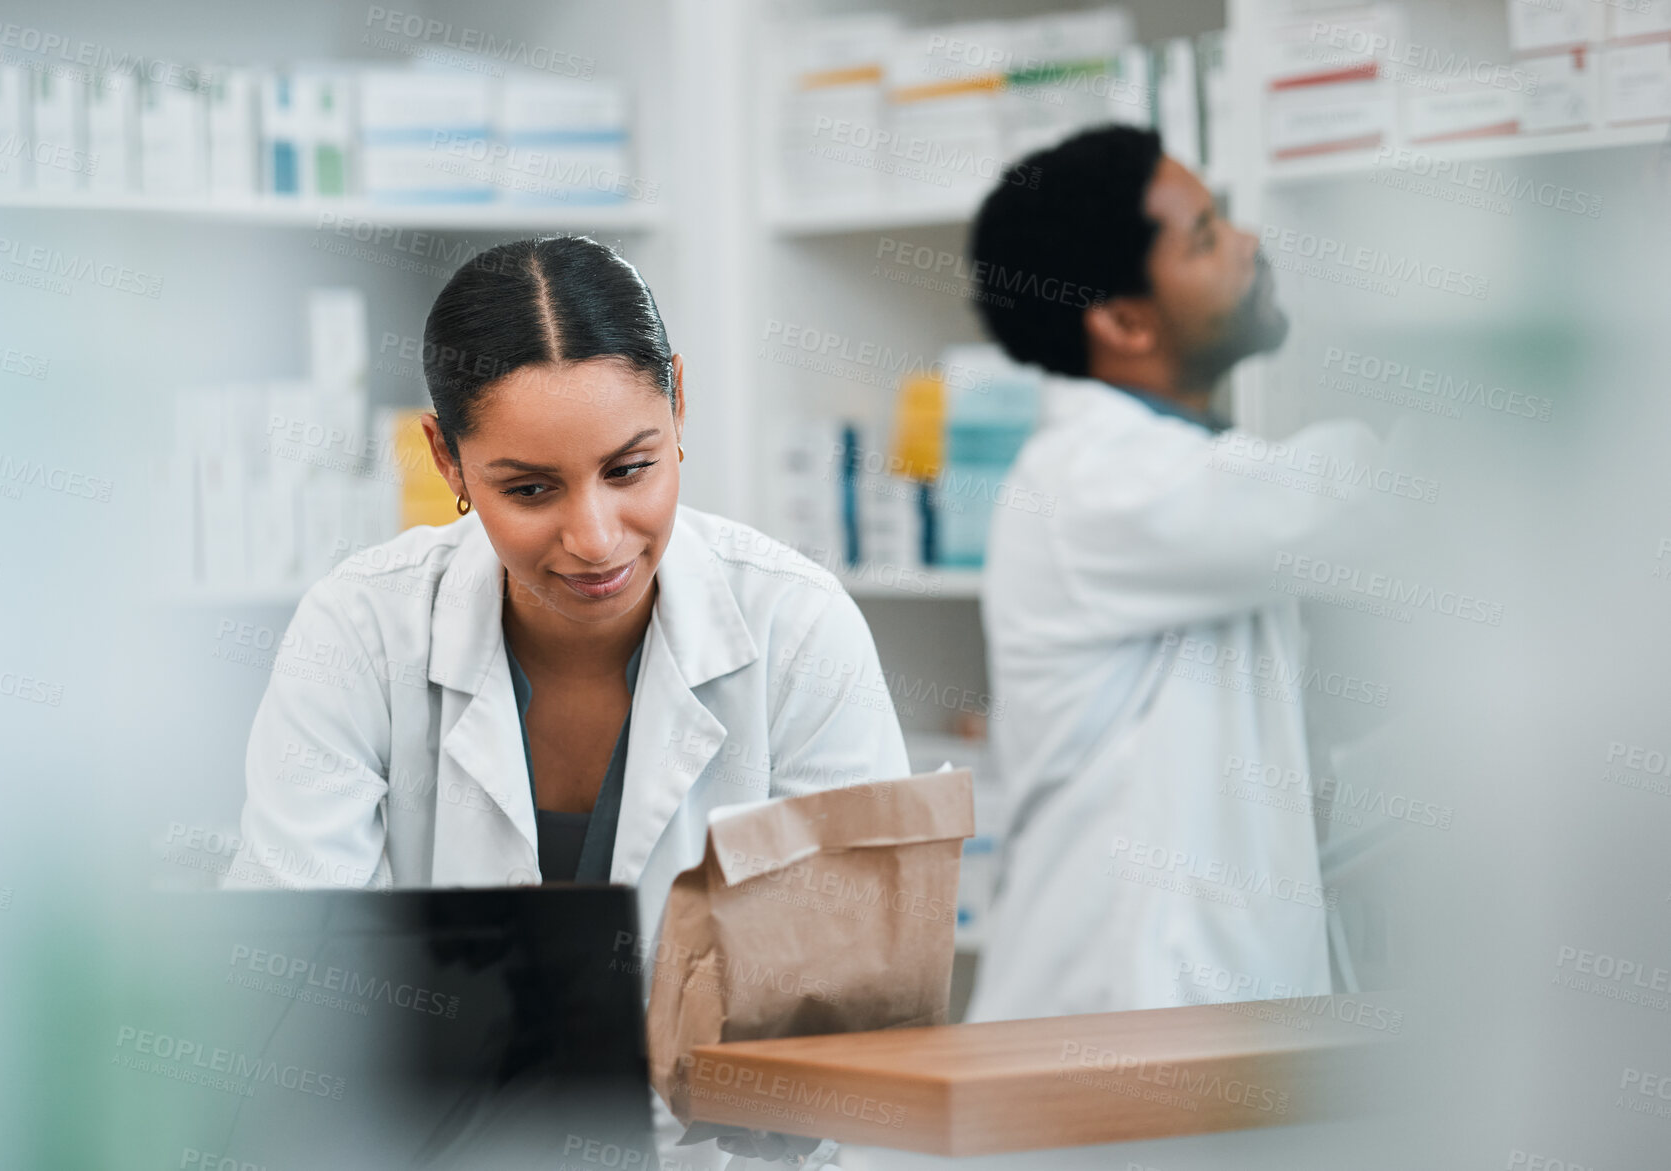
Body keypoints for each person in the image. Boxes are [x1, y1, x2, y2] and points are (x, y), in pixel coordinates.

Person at [224, 232, 907, 960]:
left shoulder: (797, 625)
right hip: (428, 1080)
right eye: (529, 489)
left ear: (678, 403)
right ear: (446, 460)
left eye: (628, 469)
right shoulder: (358, 630)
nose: (594, 538)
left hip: (718, 1082)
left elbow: (858, 975)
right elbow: (291, 972)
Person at [963, 126, 1393, 1022]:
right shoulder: (1090, 478)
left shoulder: (1189, 472)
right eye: (1203, 236)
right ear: (1122, 320)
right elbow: (1351, 498)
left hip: (1201, 1033)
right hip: (1113, 1028)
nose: (1249, 244)